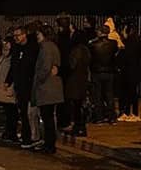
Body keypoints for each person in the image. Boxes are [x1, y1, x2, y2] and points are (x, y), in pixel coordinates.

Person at [33, 25, 63, 154]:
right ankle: (49, 143)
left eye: (38, 34)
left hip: (46, 87)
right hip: (51, 86)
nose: (37, 37)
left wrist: (39, 78)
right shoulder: (52, 46)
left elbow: (45, 66)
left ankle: (49, 144)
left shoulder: (46, 47)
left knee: (47, 117)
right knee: (48, 116)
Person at [8, 26, 39, 148]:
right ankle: (26, 136)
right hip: (19, 85)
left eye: (18, 35)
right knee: (23, 113)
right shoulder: (16, 49)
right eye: (14, 36)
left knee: (30, 113)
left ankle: (31, 137)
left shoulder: (32, 48)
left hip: (30, 85)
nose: (16, 38)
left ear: (24, 35)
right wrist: (9, 80)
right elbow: (14, 66)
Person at [64, 30, 91, 137]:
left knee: (76, 106)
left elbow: (72, 65)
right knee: (80, 105)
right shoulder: (86, 50)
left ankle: (77, 127)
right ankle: (81, 127)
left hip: (74, 81)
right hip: (82, 80)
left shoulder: (76, 50)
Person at [89, 25, 118, 123]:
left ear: (100, 32)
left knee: (97, 96)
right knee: (109, 94)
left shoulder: (93, 44)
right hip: (109, 72)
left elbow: (91, 58)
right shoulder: (113, 44)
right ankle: (112, 117)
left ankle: (99, 117)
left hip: (97, 72)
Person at [0, 36, 18, 142]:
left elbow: (12, 72)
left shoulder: (13, 58)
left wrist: (8, 83)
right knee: (7, 111)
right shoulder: (3, 57)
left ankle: (11, 132)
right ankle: (8, 131)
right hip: (2, 85)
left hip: (9, 87)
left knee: (11, 111)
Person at [117, 21, 141, 122]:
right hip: (135, 70)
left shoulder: (129, 42)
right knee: (132, 93)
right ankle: (133, 113)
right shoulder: (137, 41)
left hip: (128, 71)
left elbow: (125, 57)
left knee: (128, 93)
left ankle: (129, 113)